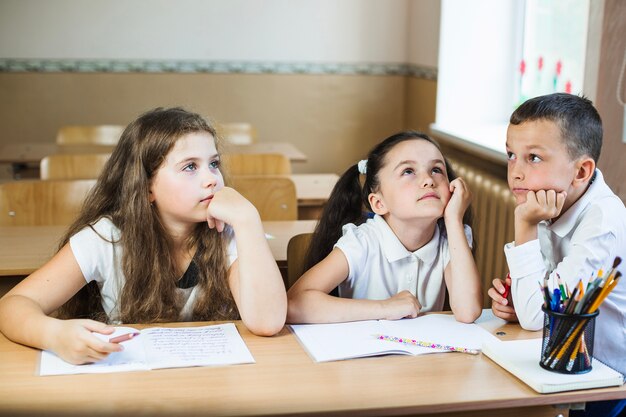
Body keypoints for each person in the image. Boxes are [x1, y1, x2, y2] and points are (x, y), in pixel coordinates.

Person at [0, 107, 287, 365]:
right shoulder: (107, 237)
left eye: (214, 163)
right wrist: (54, 334)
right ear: (147, 187)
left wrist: (249, 220)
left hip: (209, 382)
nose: (212, 178)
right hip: (130, 385)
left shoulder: (229, 231)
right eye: (190, 167)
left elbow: (267, 322)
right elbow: (12, 305)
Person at [488, 93, 626, 417]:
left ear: (581, 172)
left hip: (607, 382)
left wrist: (523, 224)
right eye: (511, 155)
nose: (516, 172)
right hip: (562, 364)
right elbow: (537, 304)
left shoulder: (602, 224)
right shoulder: (549, 202)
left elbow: (539, 317)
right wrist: (515, 303)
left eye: (533, 157)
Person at [287, 131, 482, 324]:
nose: (429, 180)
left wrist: (454, 220)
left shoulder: (452, 237)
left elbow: (468, 311)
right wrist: (385, 308)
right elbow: (294, 304)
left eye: (437, 170)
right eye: (408, 171)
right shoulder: (363, 242)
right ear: (379, 203)